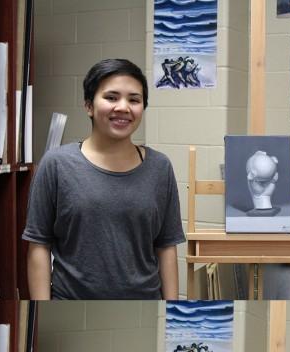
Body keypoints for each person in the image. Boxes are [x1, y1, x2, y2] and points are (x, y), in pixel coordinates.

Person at [23, 58, 185, 299]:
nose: (123, 107)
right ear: (89, 105)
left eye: (134, 100)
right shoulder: (56, 164)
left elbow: (166, 247)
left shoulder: (159, 167)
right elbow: (39, 245)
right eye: (111, 97)